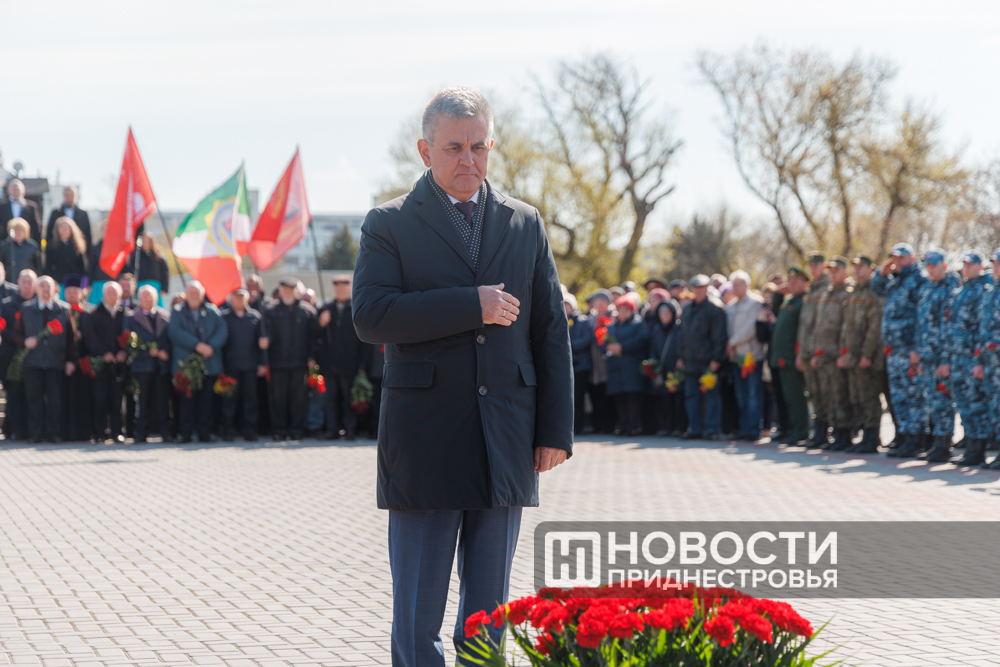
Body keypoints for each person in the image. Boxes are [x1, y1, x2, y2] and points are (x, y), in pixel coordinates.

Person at [351, 87, 572, 667]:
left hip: (506, 441)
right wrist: (471, 304)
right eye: (454, 148)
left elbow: (550, 331)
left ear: (492, 146)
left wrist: (554, 431)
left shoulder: (525, 222)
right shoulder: (389, 223)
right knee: (417, 618)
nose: (468, 159)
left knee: (487, 620)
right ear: (425, 151)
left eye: (479, 146)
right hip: (427, 441)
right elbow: (371, 316)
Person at [872, 243, 928, 458]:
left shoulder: (919, 279)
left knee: (914, 397)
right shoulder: (895, 280)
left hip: (909, 349)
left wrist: (917, 348)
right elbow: (877, 289)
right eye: (894, 258)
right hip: (894, 350)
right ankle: (903, 435)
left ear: (912, 258)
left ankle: (916, 439)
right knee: (899, 397)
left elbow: (923, 317)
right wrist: (882, 272)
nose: (897, 262)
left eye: (901, 258)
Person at [901, 249, 959, 461]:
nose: (931, 269)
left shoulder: (950, 290)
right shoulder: (926, 289)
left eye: (934, 265)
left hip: (940, 357)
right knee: (933, 402)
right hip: (926, 356)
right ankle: (937, 442)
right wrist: (917, 351)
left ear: (944, 265)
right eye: (928, 265)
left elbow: (950, 329)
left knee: (943, 402)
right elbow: (921, 324)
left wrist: (945, 360)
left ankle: (944, 445)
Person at [13, 275, 75, 443]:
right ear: (36, 289)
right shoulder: (26, 308)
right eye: (42, 286)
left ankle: (53, 433)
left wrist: (70, 360)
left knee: (55, 399)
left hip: (55, 361)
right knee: (34, 399)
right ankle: (35, 433)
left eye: (49, 287)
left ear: (55, 289)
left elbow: (70, 337)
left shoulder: (63, 309)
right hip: (33, 362)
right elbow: (16, 333)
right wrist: (25, 341)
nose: (46, 290)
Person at [947, 252, 993, 466]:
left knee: (977, 404)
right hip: (957, 356)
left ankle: (979, 449)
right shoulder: (961, 291)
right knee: (964, 404)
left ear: (980, 266)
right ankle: (971, 446)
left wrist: (979, 359)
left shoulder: (984, 290)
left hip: (973, 357)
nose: (966, 268)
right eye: (964, 264)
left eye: (970, 264)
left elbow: (983, 328)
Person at [169, 281, 228, 443]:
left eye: (197, 293)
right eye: (191, 293)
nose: (194, 296)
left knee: (206, 401)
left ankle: (205, 432)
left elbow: (222, 330)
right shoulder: (177, 311)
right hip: (186, 366)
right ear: (186, 295)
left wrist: (211, 346)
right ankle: (185, 433)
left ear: (203, 295)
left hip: (209, 363)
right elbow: (175, 332)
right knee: (186, 401)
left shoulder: (212, 311)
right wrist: (196, 345)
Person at [839, 255, 885, 454]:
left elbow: (874, 327)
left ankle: (872, 438)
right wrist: (844, 352)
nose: (857, 270)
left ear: (870, 269)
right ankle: (864, 436)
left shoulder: (874, 291)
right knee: (856, 397)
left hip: (866, 357)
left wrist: (867, 354)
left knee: (869, 398)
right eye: (855, 266)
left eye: (861, 267)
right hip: (851, 355)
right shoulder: (852, 292)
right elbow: (846, 327)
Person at [261, 277, 316, 440]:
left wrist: (312, 357)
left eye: (290, 290)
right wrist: (266, 340)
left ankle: (296, 429)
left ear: (296, 292)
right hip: (278, 363)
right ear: (279, 292)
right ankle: (280, 430)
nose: (287, 293)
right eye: (284, 290)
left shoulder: (307, 311)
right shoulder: (271, 311)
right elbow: (267, 332)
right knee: (279, 398)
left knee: (298, 399)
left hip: (299, 362)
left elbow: (313, 338)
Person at [810, 257, 854, 450]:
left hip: (837, 354)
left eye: (836, 271)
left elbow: (848, 326)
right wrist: (816, 352)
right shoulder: (826, 294)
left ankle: (844, 435)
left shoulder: (848, 293)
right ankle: (832, 433)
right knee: (828, 396)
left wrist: (844, 352)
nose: (832, 274)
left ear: (845, 272)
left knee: (841, 396)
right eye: (830, 271)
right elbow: (818, 326)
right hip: (824, 354)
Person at [676, 274, 728, 439]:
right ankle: (695, 429)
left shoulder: (715, 308)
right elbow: (682, 334)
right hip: (689, 360)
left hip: (708, 361)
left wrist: (716, 359)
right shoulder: (687, 308)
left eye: (701, 287)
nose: (698, 290)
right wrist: (680, 356)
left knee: (712, 397)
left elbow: (720, 336)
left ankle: (712, 429)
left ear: (707, 288)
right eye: (695, 287)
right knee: (691, 397)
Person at [315, 275, 365, 440]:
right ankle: (332, 429)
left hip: (349, 363)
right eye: (337, 287)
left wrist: (362, 363)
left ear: (349, 288)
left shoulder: (355, 307)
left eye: (344, 286)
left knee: (348, 397)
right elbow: (314, 335)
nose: (340, 290)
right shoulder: (326, 309)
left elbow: (363, 338)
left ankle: (350, 429)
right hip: (329, 363)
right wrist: (321, 324)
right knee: (330, 399)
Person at [124, 285, 172, 443]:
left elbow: (170, 339)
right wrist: (146, 352)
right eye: (144, 296)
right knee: (142, 401)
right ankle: (141, 433)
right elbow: (127, 343)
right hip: (142, 366)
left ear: (156, 298)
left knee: (163, 401)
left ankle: (166, 432)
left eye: (150, 296)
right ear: (138, 298)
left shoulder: (165, 316)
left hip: (161, 365)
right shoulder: (131, 318)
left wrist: (165, 351)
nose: (148, 299)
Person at [82, 282, 127, 443]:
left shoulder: (125, 314)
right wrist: (103, 353)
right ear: (103, 294)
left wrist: (124, 352)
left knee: (117, 401)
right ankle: (100, 432)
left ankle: (117, 432)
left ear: (119, 295)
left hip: (119, 364)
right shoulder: (93, 313)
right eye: (109, 292)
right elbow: (90, 337)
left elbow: (129, 335)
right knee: (100, 399)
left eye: (115, 293)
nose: (111, 296)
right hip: (100, 364)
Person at [769, 267, 810, 444]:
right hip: (781, 357)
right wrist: (778, 294)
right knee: (786, 397)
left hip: (791, 357)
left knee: (796, 396)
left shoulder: (804, 301)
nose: (791, 285)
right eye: (790, 281)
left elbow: (803, 330)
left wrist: (799, 354)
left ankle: (800, 432)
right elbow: (776, 312)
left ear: (805, 283)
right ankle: (789, 430)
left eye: (795, 282)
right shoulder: (789, 301)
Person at [725, 270, 765, 441]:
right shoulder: (729, 307)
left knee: (753, 394)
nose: (736, 287)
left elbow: (750, 328)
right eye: (733, 284)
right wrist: (728, 346)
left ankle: (754, 429)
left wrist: (731, 342)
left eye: (739, 284)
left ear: (747, 285)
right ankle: (743, 429)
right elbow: (727, 329)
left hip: (751, 357)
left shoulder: (756, 303)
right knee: (741, 395)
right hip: (736, 357)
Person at [795, 252, 830, 446]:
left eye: (816, 265)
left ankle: (825, 432)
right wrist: (801, 352)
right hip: (807, 350)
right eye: (811, 265)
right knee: (814, 394)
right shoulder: (811, 290)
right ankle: (818, 432)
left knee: (824, 393)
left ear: (823, 266)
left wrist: (818, 351)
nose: (813, 268)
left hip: (819, 350)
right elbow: (804, 325)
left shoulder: (826, 288)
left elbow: (823, 325)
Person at [602, 295, 649, 436]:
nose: (622, 313)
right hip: (615, 369)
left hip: (632, 367)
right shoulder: (611, 326)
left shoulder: (638, 324)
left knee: (633, 399)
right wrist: (607, 347)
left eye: (626, 310)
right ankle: (623, 426)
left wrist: (622, 347)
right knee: (620, 399)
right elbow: (602, 342)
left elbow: (641, 340)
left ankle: (634, 426)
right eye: (620, 310)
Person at [220, 289, 263, 441]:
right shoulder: (224, 317)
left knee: (250, 399)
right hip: (230, 365)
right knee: (229, 399)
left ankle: (249, 429)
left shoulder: (255, 317)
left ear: (247, 299)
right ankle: (229, 429)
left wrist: (262, 363)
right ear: (231, 300)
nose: (240, 301)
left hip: (250, 365)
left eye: (242, 298)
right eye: (237, 298)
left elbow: (261, 342)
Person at [0, 269, 36, 439]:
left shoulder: (39, 303)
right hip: (12, 354)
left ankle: (31, 428)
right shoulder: (7, 305)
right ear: (18, 283)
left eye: (30, 282)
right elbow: (2, 327)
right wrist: (20, 339)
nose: (27, 286)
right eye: (24, 282)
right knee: (14, 392)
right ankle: (13, 429)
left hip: (34, 355)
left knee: (32, 393)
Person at [975, 249, 1000, 468]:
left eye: (998, 264)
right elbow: (982, 329)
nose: (995, 268)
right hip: (991, 361)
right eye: (994, 264)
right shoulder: (991, 291)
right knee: (995, 406)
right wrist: (980, 359)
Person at [61, 274, 94, 441]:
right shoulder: (60, 310)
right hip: (65, 363)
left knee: (84, 398)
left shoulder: (90, 312)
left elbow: (96, 337)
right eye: (69, 292)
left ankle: (84, 433)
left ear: (81, 293)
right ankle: (66, 433)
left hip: (84, 362)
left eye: (76, 292)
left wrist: (84, 337)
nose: (72, 295)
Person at [652, 299, 685, 436]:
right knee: (665, 400)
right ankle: (667, 426)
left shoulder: (679, 328)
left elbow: (683, 345)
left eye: (667, 312)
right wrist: (652, 363)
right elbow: (652, 349)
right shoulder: (656, 329)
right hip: (662, 369)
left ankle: (679, 427)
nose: (665, 315)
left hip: (676, 369)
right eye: (662, 313)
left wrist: (681, 359)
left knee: (678, 399)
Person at [586, 288, 615, 434]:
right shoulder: (589, 320)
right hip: (592, 364)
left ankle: (609, 426)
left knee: (608, 397)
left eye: (603, 301)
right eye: (597, 301)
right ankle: (597, 425)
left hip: (609, 365)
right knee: (595, 396)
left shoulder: (613, 319)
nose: (600, 304)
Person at [566, 293, 595, 435]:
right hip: (566, 366)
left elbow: (587, 339)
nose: (565, 307)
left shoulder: (583, 321)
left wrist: (568, 345)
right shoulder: (559, 320)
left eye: (568, 304)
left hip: (581, 366)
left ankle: (579, 426)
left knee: (579, 397)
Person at [124, 232, 171, 297]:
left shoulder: (158, 256)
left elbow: (165, 273)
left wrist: (164, 288)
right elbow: (131, 271)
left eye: (147, 241)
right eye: (143, 241)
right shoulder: (136, 257)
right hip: (140, 285)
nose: (145, 243)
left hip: (156, 286)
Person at [44, 217, 88, 285]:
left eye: (66, 228)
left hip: (74, 282)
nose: (64, 230)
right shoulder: (51, 246)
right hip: (58, 281)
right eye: (61, 227)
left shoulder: (78, 245)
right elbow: (48, 266)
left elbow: (82, 266)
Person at [46, 186, 92, 250]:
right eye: (67, 195)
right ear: (63, 196)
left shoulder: (83, 215)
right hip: (59, 250)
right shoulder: (55, 213)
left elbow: (87, 235)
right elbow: (49, 233)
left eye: (72, 195)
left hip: (78, 250)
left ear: (76, 196)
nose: (69, 197)